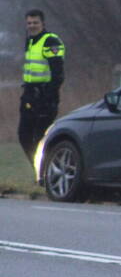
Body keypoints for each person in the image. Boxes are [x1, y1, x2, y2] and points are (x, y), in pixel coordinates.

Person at [19, 9, 65, 162]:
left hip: (45, 96)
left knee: (41, 137)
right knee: (24, 135)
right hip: (29, 94)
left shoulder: (50, 41)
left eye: (35, 22)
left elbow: (58, 73)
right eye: (29, 23)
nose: (32, 26)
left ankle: (48, 171)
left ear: (42, 23)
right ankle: (39, 171)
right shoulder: (30, 41)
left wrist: (48, 96)